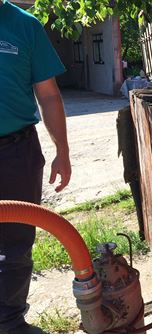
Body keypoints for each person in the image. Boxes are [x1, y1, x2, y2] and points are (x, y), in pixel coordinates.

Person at [0, 1, 71, 333]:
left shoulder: (25, 25)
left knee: (16, 243)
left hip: (17, 153)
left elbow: (49, 96)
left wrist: (62, 151)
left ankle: (10, 321)